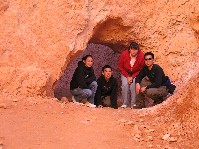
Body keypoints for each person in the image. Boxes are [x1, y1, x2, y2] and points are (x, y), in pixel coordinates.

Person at [118, 41, 145, 108]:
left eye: (135, 49)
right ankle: (125, 103)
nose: (134, 51)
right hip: (125, 72)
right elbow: (120, 66)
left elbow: (141, 69)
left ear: (138, 50)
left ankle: (133, 103)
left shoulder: (141, 56)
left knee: (134, 85)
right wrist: (127, 76)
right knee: (125, 85)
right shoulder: (124, 54)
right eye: (132, 49)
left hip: (136, 73)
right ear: (129, 49)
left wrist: (132, 77)